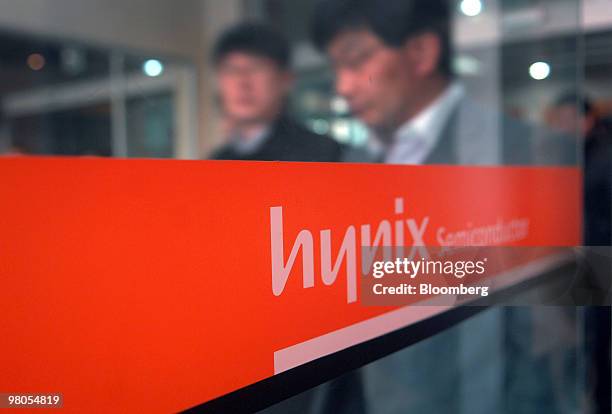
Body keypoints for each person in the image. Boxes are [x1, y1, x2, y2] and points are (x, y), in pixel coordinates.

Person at [308, 0, 580, 413]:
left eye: (357, 60)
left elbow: (547, 341)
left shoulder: (521, 152)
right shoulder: (354, 162)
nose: (343, 86)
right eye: (335, 68)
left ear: (421, 52)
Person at [210, 22, 343, 162]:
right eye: (231, 70)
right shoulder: (216, 163)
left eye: (255, 68)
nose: (242, 82)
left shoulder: (323, 155)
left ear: (285, 79)